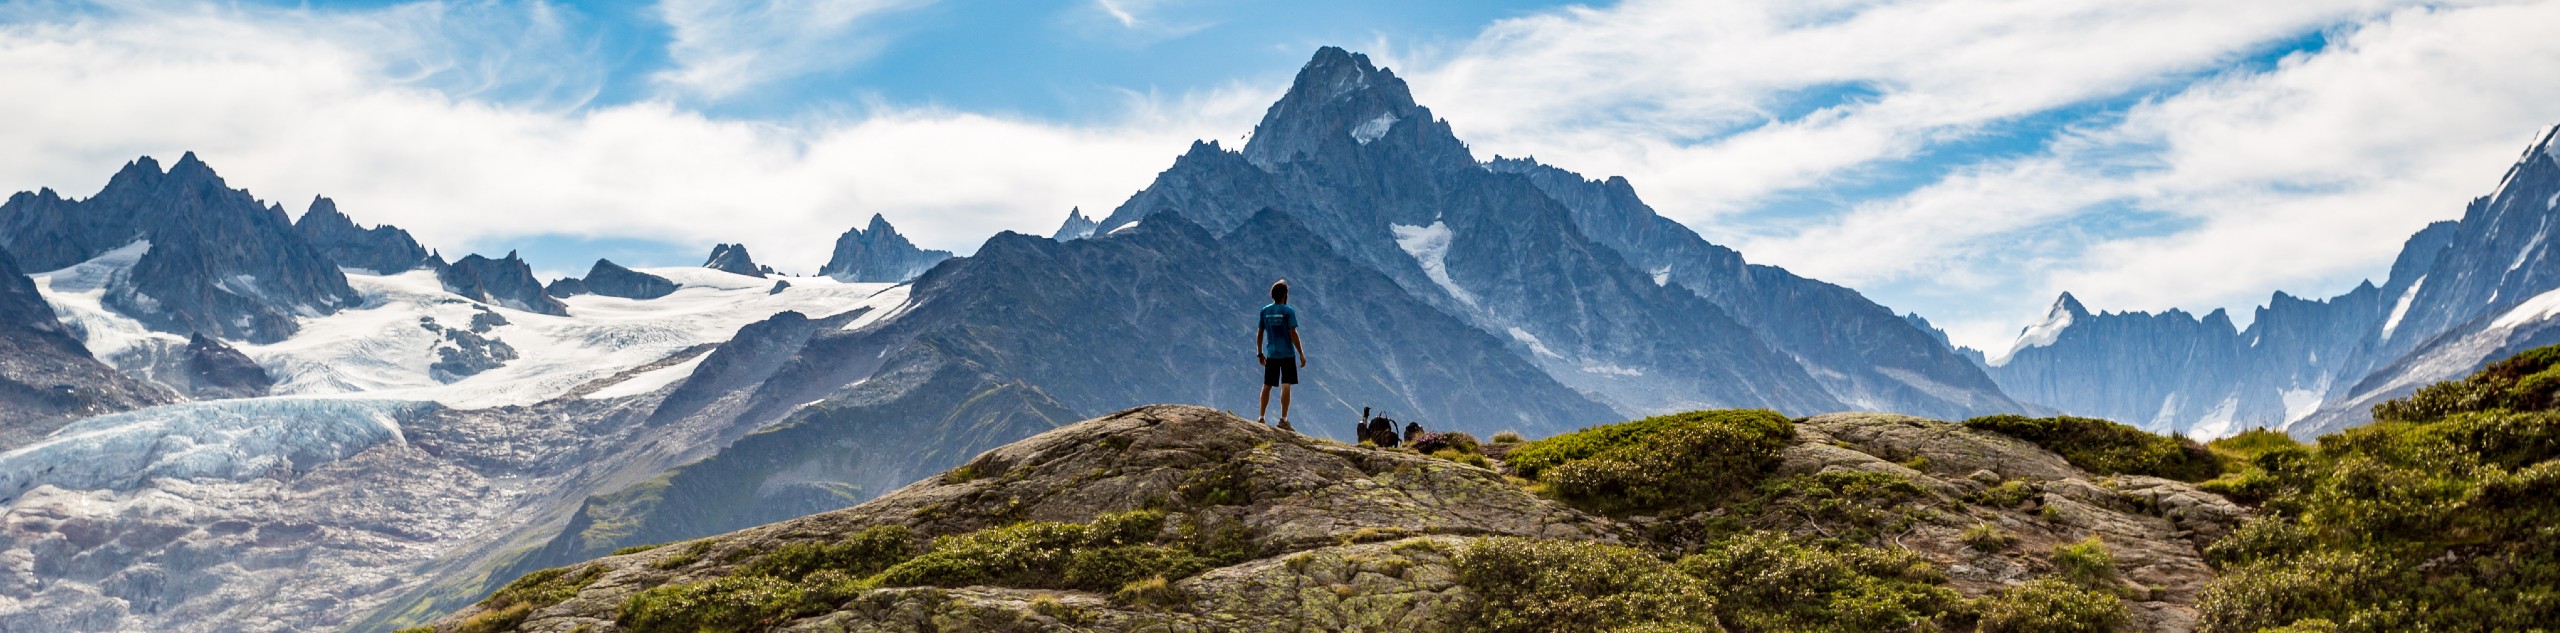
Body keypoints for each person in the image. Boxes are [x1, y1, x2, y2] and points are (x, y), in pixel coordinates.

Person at [1256, 280, 1306, 430]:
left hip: (1272, 353)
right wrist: (1301, 354)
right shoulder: (1288, 311)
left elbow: (1260, 333)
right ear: (1285, 295)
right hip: (1287, 354)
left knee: (1267, 385)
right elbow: (1293, 333)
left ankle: (1261, 417)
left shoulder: (1265, 310)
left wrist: (1259, 353)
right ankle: (1283, 420)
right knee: (1286, 385)